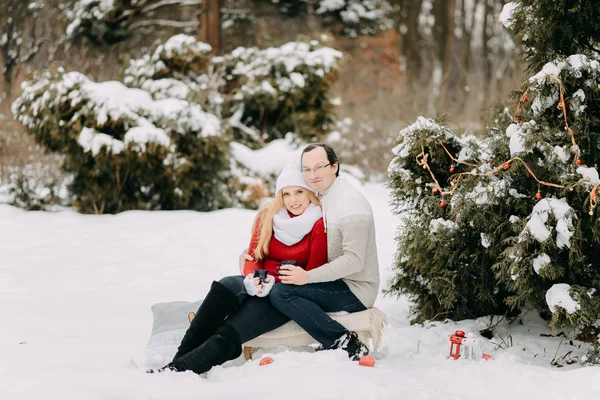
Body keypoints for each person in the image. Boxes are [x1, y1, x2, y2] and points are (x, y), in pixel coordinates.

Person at [149, 161, 327, 374]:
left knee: (231, 329)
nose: (293, 200)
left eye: (299, 192)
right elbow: (252, 255)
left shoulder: (318, 224)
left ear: (309, 192)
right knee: (225, 285)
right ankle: (178, 358)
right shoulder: (268, 215)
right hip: (258, 283)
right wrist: (253, 277)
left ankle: (180, 370)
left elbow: (313, 272)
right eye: (286, 194)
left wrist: (275, 282)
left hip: (285, 295)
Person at [267, 143, 380, 361]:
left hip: (356, 289)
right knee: (281, 287)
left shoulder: (350, 202)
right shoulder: (324, 197)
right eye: (307, 169)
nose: (312, 175)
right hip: (338, 282)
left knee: (282, 293)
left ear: (334, 166)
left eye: (319, 167)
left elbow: (354, 260)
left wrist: (307, 277)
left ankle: (344, 342)